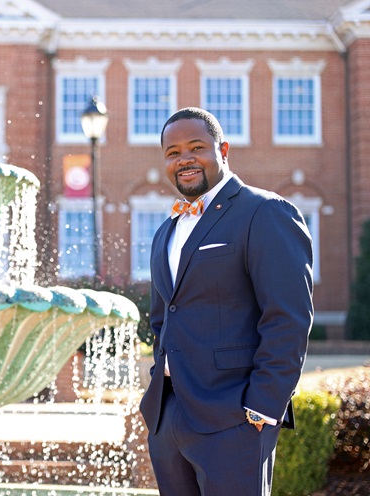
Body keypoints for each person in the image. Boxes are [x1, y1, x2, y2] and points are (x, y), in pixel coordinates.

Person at [139, 107, 313, 495]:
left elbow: (288, 319)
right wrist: (159, 391)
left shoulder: (265, 212)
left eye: (196, 147)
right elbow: (162, 318)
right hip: (169, 417)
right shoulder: (165, 231)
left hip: (235, 418)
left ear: (223, 150)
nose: (184, 159)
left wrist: (264, 407)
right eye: (172, 152)